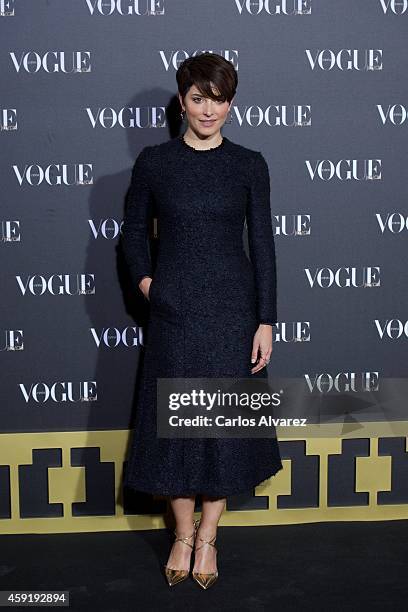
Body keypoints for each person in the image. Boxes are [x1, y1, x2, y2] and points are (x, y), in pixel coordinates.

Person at [121, 52, 282, 589]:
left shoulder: (248, 164)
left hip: (232, 314)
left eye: (219, 100)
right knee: (178, 430)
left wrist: (266, 320)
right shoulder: (155, 162)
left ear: (230, 105)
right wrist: (149, 286)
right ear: (183, 100)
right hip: (175, 314)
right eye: (198, 98)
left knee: (222, 429)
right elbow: (132, 236)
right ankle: (181, 533)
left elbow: (263, 244)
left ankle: (209, 537)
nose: (208, 109)